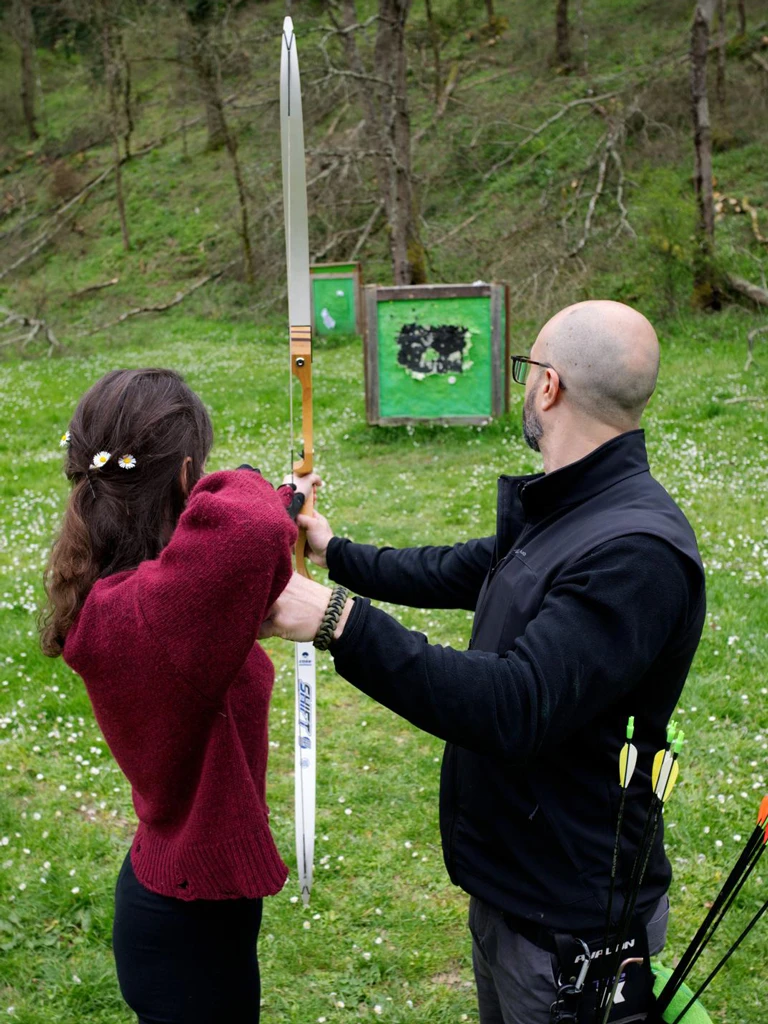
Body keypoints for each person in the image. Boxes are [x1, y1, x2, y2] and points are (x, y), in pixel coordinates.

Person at [260, 301, 707, 1024]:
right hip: (515, 887)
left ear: (548, 385)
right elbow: (462, 569)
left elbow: (514, 704)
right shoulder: (573, 502)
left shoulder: (635, 552)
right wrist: (336, 553)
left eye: (527, 369)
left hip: (568, 925)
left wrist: (338, 620)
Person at [40, 368, 313, 1024]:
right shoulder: (152, 615)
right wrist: (249, 480)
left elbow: (230, 544)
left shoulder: (126, 596)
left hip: (181, 899)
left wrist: (286, 500)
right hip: (187, 931)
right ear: (189, 476)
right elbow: (246, 530)